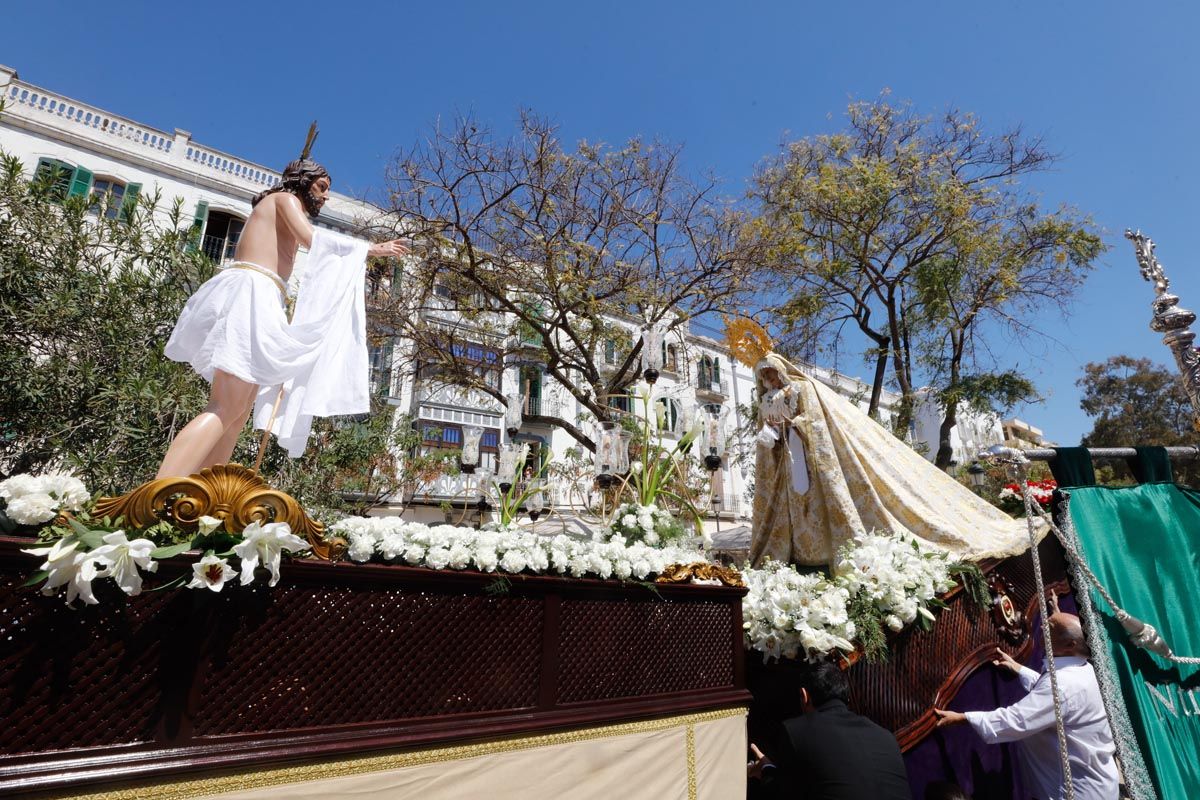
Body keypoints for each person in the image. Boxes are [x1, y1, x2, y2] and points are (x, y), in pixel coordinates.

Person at [157, 149, 408, 478]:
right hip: (251, 293)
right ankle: (159, 491)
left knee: (236, 415)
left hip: (265, 298)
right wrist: (370, 249)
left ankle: (205, 496)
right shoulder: (284, 199)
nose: (326, 195)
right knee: (224, 407)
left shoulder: (282, 204)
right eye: (321, 186)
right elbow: (311, 240)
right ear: (302, 183)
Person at [933, 597, 1120, 800]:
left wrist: (964, 718)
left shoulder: (1063, 686)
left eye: (1051, 628)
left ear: (1069, 645)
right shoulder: (1083, 669)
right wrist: (1019, 668)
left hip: (1078, 791)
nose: (1043, 628)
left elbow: (1017, 720)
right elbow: (1055, 700)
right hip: (1098, 783)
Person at [749, 660, 913, 800]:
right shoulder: (885, 736)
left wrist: (766, 769)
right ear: (846, 695)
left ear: (804, 695)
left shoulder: (795, 731)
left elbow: (784, 794)